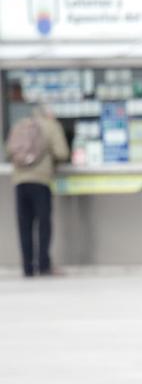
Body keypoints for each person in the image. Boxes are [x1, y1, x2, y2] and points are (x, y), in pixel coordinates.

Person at [8, 104, 69, 277]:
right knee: (43, 225)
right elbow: (62, 152)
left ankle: (27, 268)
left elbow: (8, 150)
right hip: (41, 181)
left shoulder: (19, 125)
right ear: (50, 114)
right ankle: (43, 265)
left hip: (19, 181)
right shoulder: (52, 126)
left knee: (24, 226)